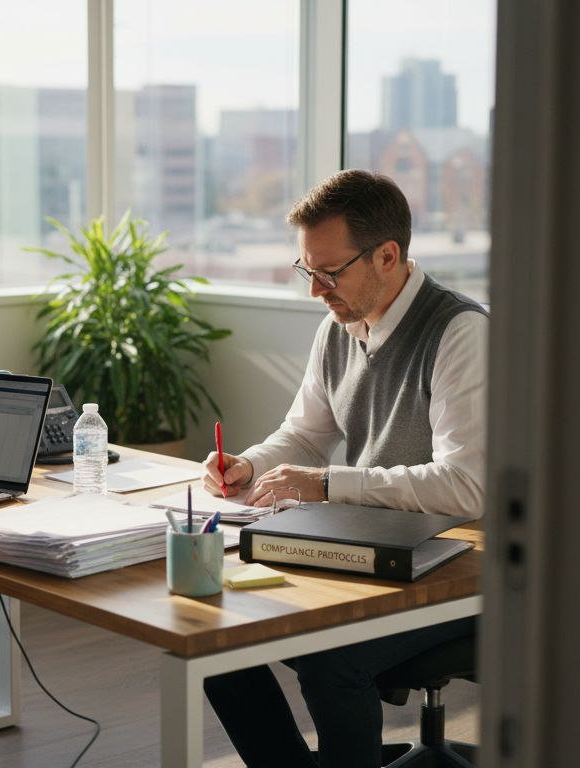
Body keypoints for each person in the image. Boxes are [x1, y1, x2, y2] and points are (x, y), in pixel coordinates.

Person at [201, 170, 486, 768]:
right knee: (218, 638)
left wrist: (329, 482)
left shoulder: (459, 332)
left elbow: (466, 489)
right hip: (375, 547)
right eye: (308, 271)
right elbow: (306, 435)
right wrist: (249, 465)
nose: (315, 291)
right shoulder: (337, 327)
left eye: (328, 273)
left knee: (333, 658)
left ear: (388, 256)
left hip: (464, 564)